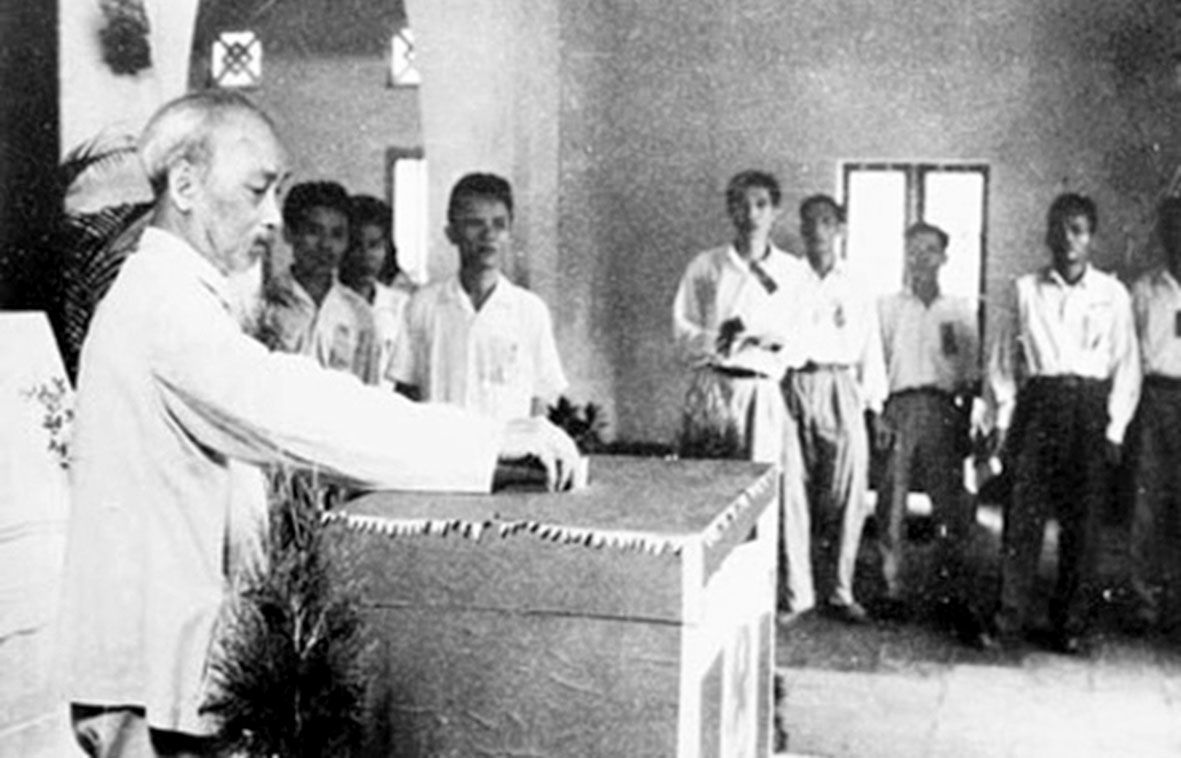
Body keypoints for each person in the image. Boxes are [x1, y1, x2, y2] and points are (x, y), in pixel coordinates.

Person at [58, 90, 579, 758]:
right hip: (149, 674)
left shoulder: (173, 293)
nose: (273, 218)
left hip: (164, 658)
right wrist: (488, 439)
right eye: (257, 191)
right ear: (184, 185)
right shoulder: (161, 305)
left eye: (278, 194)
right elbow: (289, 405)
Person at [981, 193, 1140, 655]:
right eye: (1061, 229)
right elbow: (1001, 361)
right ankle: (1008, 619)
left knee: (1083, 524)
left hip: (1091, 408)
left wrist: (1114, 428)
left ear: (1092, 238)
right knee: (1022, 518)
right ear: (1048, 235)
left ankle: (1070, 625)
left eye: (1079, 230)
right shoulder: (1024, 290)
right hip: (1039, 404)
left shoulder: (1112, 294)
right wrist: (1003, 418)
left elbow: (1127, 365)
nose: (1069, 239)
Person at [780, 194, 888, 624]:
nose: (817, 230)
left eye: (826, 222)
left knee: (847, 494)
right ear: (802, 229)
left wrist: (875, 406)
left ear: (841, 229)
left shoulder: (857, 283)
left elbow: (871, 347)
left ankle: (841, 590)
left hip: (842, 385)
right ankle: (797, 593)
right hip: (793, 384)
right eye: (809, 222)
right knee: (791, 492)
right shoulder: (787, 277)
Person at [389, 172, 568, 422]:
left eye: (499, 224)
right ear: (451, 232)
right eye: (475, 223)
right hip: (440, 443)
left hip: (504, 446)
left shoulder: (530, 311)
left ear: (509, 232)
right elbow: (406, 394)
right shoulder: (423, 305)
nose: (488, 235)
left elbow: (540, 401)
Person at [875, 222, 980, 620]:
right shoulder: (887, 307)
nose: (922, 258)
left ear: (944, 257)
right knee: (891, 501)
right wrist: (879, 412)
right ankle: (893, 587)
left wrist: (964, 422)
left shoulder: (958, 310)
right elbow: (874, 365)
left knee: (948, 502)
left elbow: (969, 371)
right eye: (914, 250)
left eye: (930, 250)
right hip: (898, 405)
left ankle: (949, 590)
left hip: (943, 408)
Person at [258, 181, 380, 383]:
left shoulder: (359, 314)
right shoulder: (265, 304)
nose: (326, 245)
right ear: (289, 233)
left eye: (337, 234)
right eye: (314, 231)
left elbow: (369, 389)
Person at [1127, 195, 1181, 637]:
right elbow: (1129, 355)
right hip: (1156, 397)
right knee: (1148, 503)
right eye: (1173, 229)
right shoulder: (1145, 290)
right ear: (1164, 235)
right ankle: (1145, 602)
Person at [341, 194, 414, 387]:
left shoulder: (401, 307)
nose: (366, 256)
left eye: (375, 246)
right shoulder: (330, 304)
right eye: (356, 246)